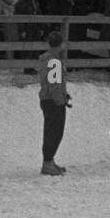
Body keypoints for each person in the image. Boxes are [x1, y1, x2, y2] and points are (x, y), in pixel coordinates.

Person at [37, 30, 72, 176]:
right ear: (61, 45)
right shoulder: (54, 62)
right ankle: (47, 162)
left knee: (51, 131)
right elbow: (54, 85)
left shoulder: (47, 59)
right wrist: (61, 100)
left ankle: (49, 161)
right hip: (53, 102)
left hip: (48, 100)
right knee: (54, 132)